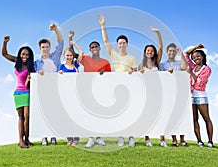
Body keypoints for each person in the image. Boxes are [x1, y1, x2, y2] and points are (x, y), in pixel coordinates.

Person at [99, 14, 137, 147]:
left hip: (128, 87)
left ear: (127, 44)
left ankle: (131, 137)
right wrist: (103, 25)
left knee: (130, 112)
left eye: (123, 43)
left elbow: (134, 71)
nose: (121, 45)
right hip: (116, 88)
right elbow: (106, 42)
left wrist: (133, 71)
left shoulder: (132, 57)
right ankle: (121, 137)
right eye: (119, 43)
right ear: (118, 45)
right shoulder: (113, 54)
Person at [69, 31, 111, 148]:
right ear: (90, 49)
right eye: (92, 47)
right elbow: (72, 53)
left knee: (99, 115)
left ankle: (98, 137)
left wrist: (104, 73)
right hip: (88, 90)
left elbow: (110, 79)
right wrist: (71, 39)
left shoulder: (105, 62)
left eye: (96, 46)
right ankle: (91, 138)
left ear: (99, 48)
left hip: (100, 91)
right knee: (89, 114)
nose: (94, 48)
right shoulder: (86, 59)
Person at [1, 36, 35, 148]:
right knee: (20, 117)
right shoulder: (17, 61)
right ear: (20, 54)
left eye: (27, 54)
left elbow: (30, 83)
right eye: (23, 54)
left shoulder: (31, 66)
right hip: (17, 93)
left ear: (30, 56)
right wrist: (5, 42)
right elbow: (4, 54)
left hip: (27, 92)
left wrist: (29, 80)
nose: (24, 56)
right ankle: (21, 141)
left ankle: (27, 139)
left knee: (27, 116)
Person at [34, 23, 64, 146]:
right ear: (40, 49)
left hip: (55, 90)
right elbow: (33, 77)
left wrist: (56, 30)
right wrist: (37, 73)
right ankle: (44, 137)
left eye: (47, 47)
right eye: (43, 47)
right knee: (43, 114)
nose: (45, 49)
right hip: (43, 91)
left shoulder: (55, 58)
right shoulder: (37, 63)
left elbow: (61, 43)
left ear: (49, 48)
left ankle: (53, 137)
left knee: (53, 114)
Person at [138, 26, 164, 147]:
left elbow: (160, 47)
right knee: (146, 116)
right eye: (148, 51)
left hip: (157, 92)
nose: (150, 52)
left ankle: (162, 139)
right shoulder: (141, 65)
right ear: (145, 52)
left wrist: (158, 33)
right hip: (145, 93)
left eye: (151, 51)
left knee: (160, 115)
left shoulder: (156, 63)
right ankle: (147, 139)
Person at [159, 43, 189, 147]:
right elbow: (161, 77)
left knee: (181, 115)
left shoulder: (179, 62)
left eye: (173, 51)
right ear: (167, 52)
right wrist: (167, 72)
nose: (171, 53)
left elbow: (185, 69)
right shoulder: (163, 65)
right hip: (169, 92)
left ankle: (182, 139)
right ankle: (174, 139)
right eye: (170, 51)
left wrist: (181, 54)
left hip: (180, 92)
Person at [185, 44, 214, 148]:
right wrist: (196, 47)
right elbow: (186, 54)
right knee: (194, 118)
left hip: (201, 95)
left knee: (206, 118)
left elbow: (200, 82)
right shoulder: (193, 67)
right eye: (194, 57)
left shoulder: (206, 69)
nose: (195, 58)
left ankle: (210, 141)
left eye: (198, 56)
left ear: (202, 57)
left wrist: (191, 74)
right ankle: (199, 141)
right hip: (191, 96)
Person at [58, 37, 84, 146]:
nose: (69, 57)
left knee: (76, 116)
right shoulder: (61, 67)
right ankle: (69, 139)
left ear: (73, 56)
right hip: (66, 95)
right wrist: (59, 74)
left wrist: (73, 43)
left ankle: (76, 139)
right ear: (64, 56)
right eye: (67, 55)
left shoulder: (76, 65)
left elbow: (82, 52)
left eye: (71, 55)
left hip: (76, 94)